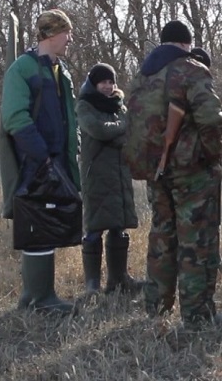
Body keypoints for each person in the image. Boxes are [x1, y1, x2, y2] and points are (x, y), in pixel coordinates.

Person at [128, 20, 222, 329]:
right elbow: (210, 116)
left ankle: (156, 305)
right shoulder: (190, 68)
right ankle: (198, 315)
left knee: (162, 235)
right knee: (196, 241)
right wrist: (211, 155)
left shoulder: (142, 76)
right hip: (190, 170)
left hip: (155, 169)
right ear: (186, 43)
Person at [0, 8, 79, 314]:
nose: (69, 38)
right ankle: (37, 299)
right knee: (36, 225)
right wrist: (41, 156)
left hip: (58, 161)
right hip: (33, 163)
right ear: (51, 34)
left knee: (47, 224)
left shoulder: (61, 71)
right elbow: (15, 118)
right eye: (66, 32)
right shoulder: (23, 69)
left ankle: (39, 296)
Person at [76, 63, 141, 295]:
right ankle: (92, 285)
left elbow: (131, 131)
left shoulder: (120, 107)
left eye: (111, 82)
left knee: (118, 227)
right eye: (103, 82)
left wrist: (121, 129)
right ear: (94, 83)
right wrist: (121, 128)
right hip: (96, 174)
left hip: (119, 173)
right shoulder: (85, 106)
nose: (107, 86)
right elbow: (99, 130)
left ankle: (119, 280)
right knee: (94, 227)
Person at [190, 47, 222, 275]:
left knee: (213, 215)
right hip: (191, 163)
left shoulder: (207, 89)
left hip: (210, 162)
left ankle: (215, 258)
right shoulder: (182, 90)